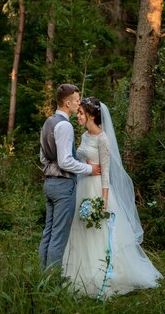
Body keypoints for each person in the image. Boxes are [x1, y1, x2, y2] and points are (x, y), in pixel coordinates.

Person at [63, 97, 162, 298]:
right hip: (83, 185)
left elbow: (106, 173)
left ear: (91, 115)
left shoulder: (103, 139)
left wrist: (104, 202)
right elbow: (80, 159)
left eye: (81, 113)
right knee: (81, 229)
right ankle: (78, 272)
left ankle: (103, 273)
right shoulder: (84, 136)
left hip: (98, 190)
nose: (78, 116)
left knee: (98, 232)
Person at [39, 84, 101, 270]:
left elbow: (43, 158)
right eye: (76, 101)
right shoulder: (65, 125)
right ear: (67, 103)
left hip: (49, 184)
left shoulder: (48, 122)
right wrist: (89, 169)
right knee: (58, 236)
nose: (79, 103)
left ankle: (41, 278)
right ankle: (53, 283)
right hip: (63, 186)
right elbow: (65, 162)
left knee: (48, 233)